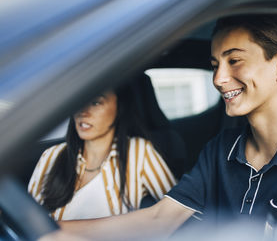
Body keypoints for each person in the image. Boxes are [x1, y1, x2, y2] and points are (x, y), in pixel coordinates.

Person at [43, 14, 277, 240]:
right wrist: (49, 231)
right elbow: (160, 220)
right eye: (215, 65)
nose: (218, 78)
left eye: (234, 60)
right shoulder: (221, 149)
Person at [29, 83, 176, 220]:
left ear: (119, 108)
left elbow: (176, 212)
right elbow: (27, 218)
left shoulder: (139, 152)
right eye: (79, 102)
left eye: (95, 102)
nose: (83, 112)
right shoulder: (51, 155)